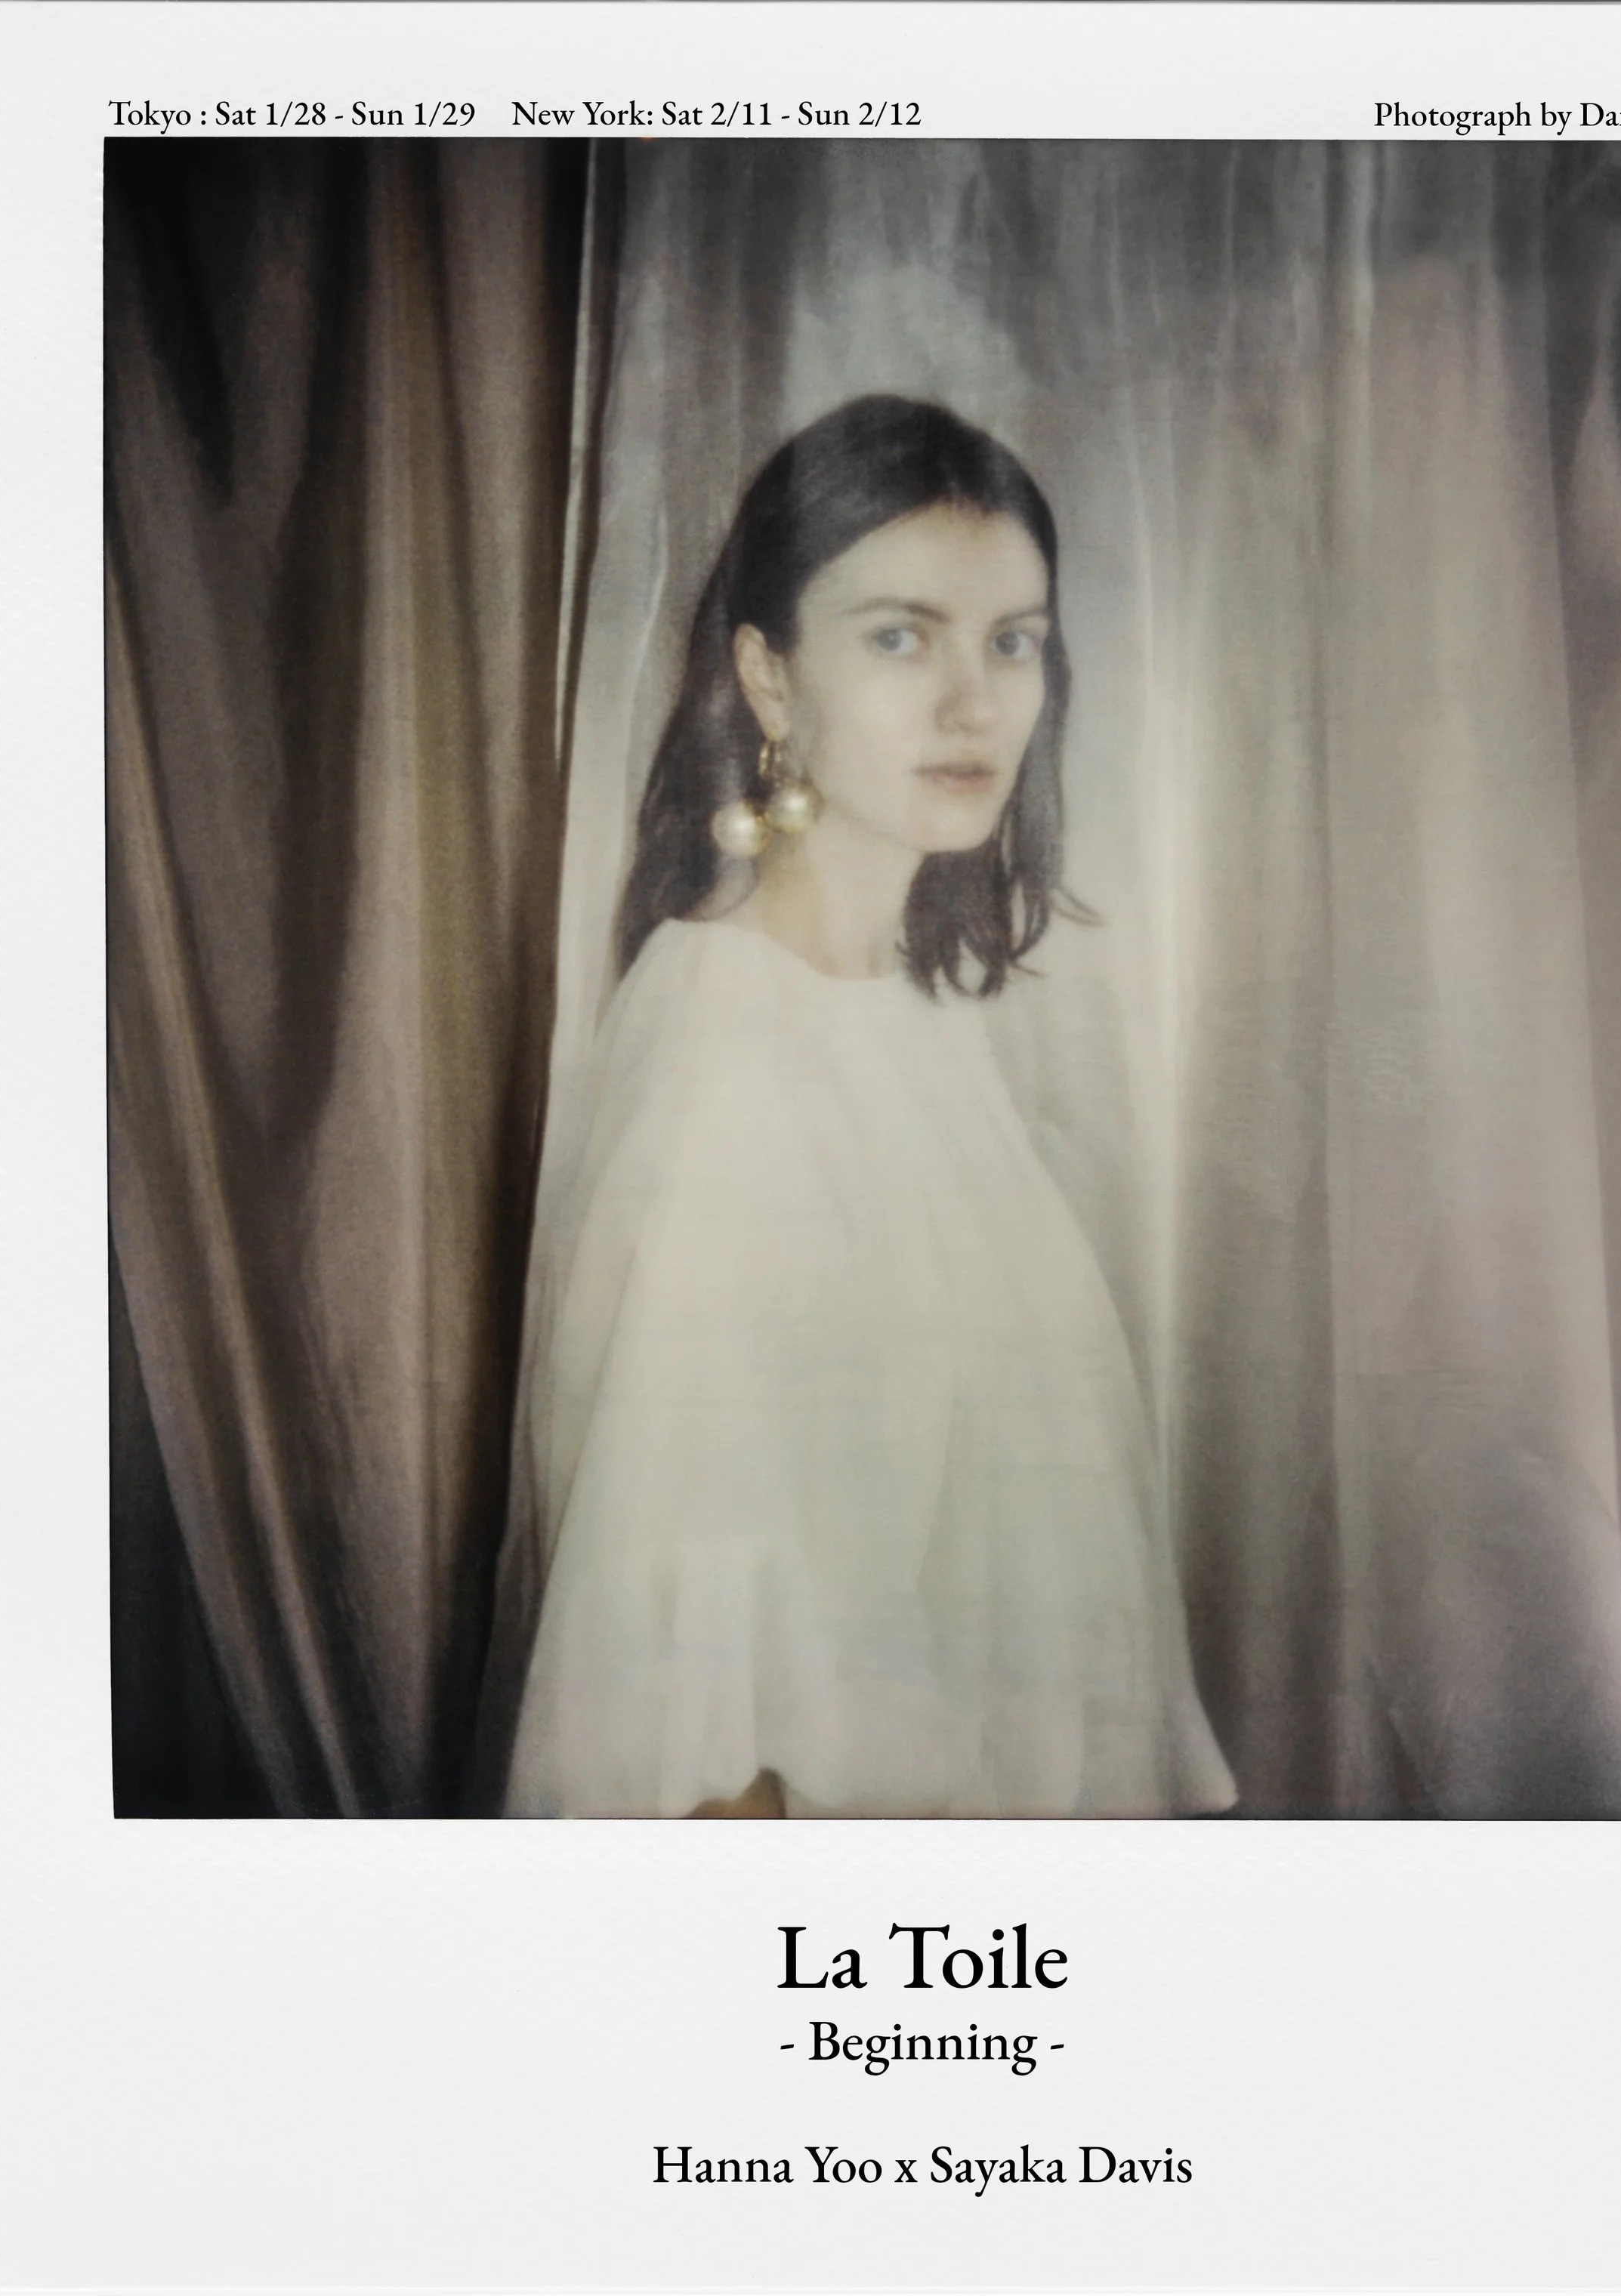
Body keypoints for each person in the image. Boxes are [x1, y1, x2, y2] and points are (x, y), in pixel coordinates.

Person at [502, 396, 1235, 1817]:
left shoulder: (912, 1021)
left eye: (1012, 641)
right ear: (770, 682)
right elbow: (693, 1728)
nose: (975, 703)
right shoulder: (730, 1057)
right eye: (901, 637)